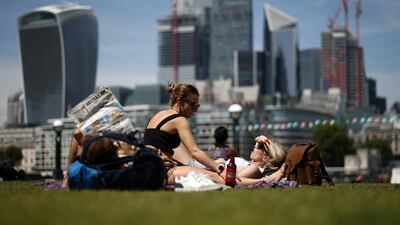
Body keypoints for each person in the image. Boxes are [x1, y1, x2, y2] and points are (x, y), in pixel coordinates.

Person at [142, 82, 285, 186]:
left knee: (211, 174)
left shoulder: (158, 115)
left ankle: (265, 180)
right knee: (216, 178)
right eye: (193, 105)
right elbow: (195, 151)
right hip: (159, 171)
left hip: (147, 167)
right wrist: (217, 168)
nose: (195, 110)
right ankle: (265, 182)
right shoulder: (179, 120)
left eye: (197, 106)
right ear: (179, 101)